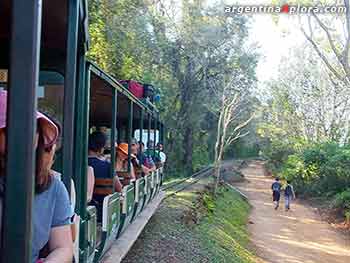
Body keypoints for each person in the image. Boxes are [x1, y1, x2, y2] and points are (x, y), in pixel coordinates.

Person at [0, 90, 73, 263]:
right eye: (9, 127)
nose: (23, 134)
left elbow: (63, 247)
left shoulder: (53, 187)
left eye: (31, 128)